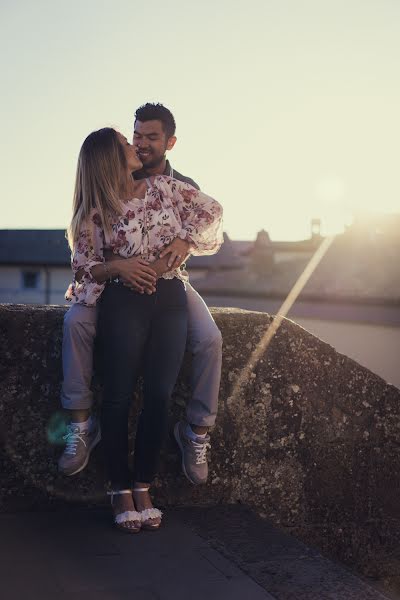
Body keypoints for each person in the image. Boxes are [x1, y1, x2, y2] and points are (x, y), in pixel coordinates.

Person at [65, 127, 223, 532]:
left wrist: (185, 242)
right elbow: (84, 267)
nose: (134, 146)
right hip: (122, 299)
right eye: (125, 143)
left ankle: (143, 484)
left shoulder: (164, 188)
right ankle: (119, 488)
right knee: (117, 395)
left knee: (159, 394)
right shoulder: (96, 211)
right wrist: (118, 266)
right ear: (110, 159)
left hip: (170, 294)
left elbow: (212, 211)